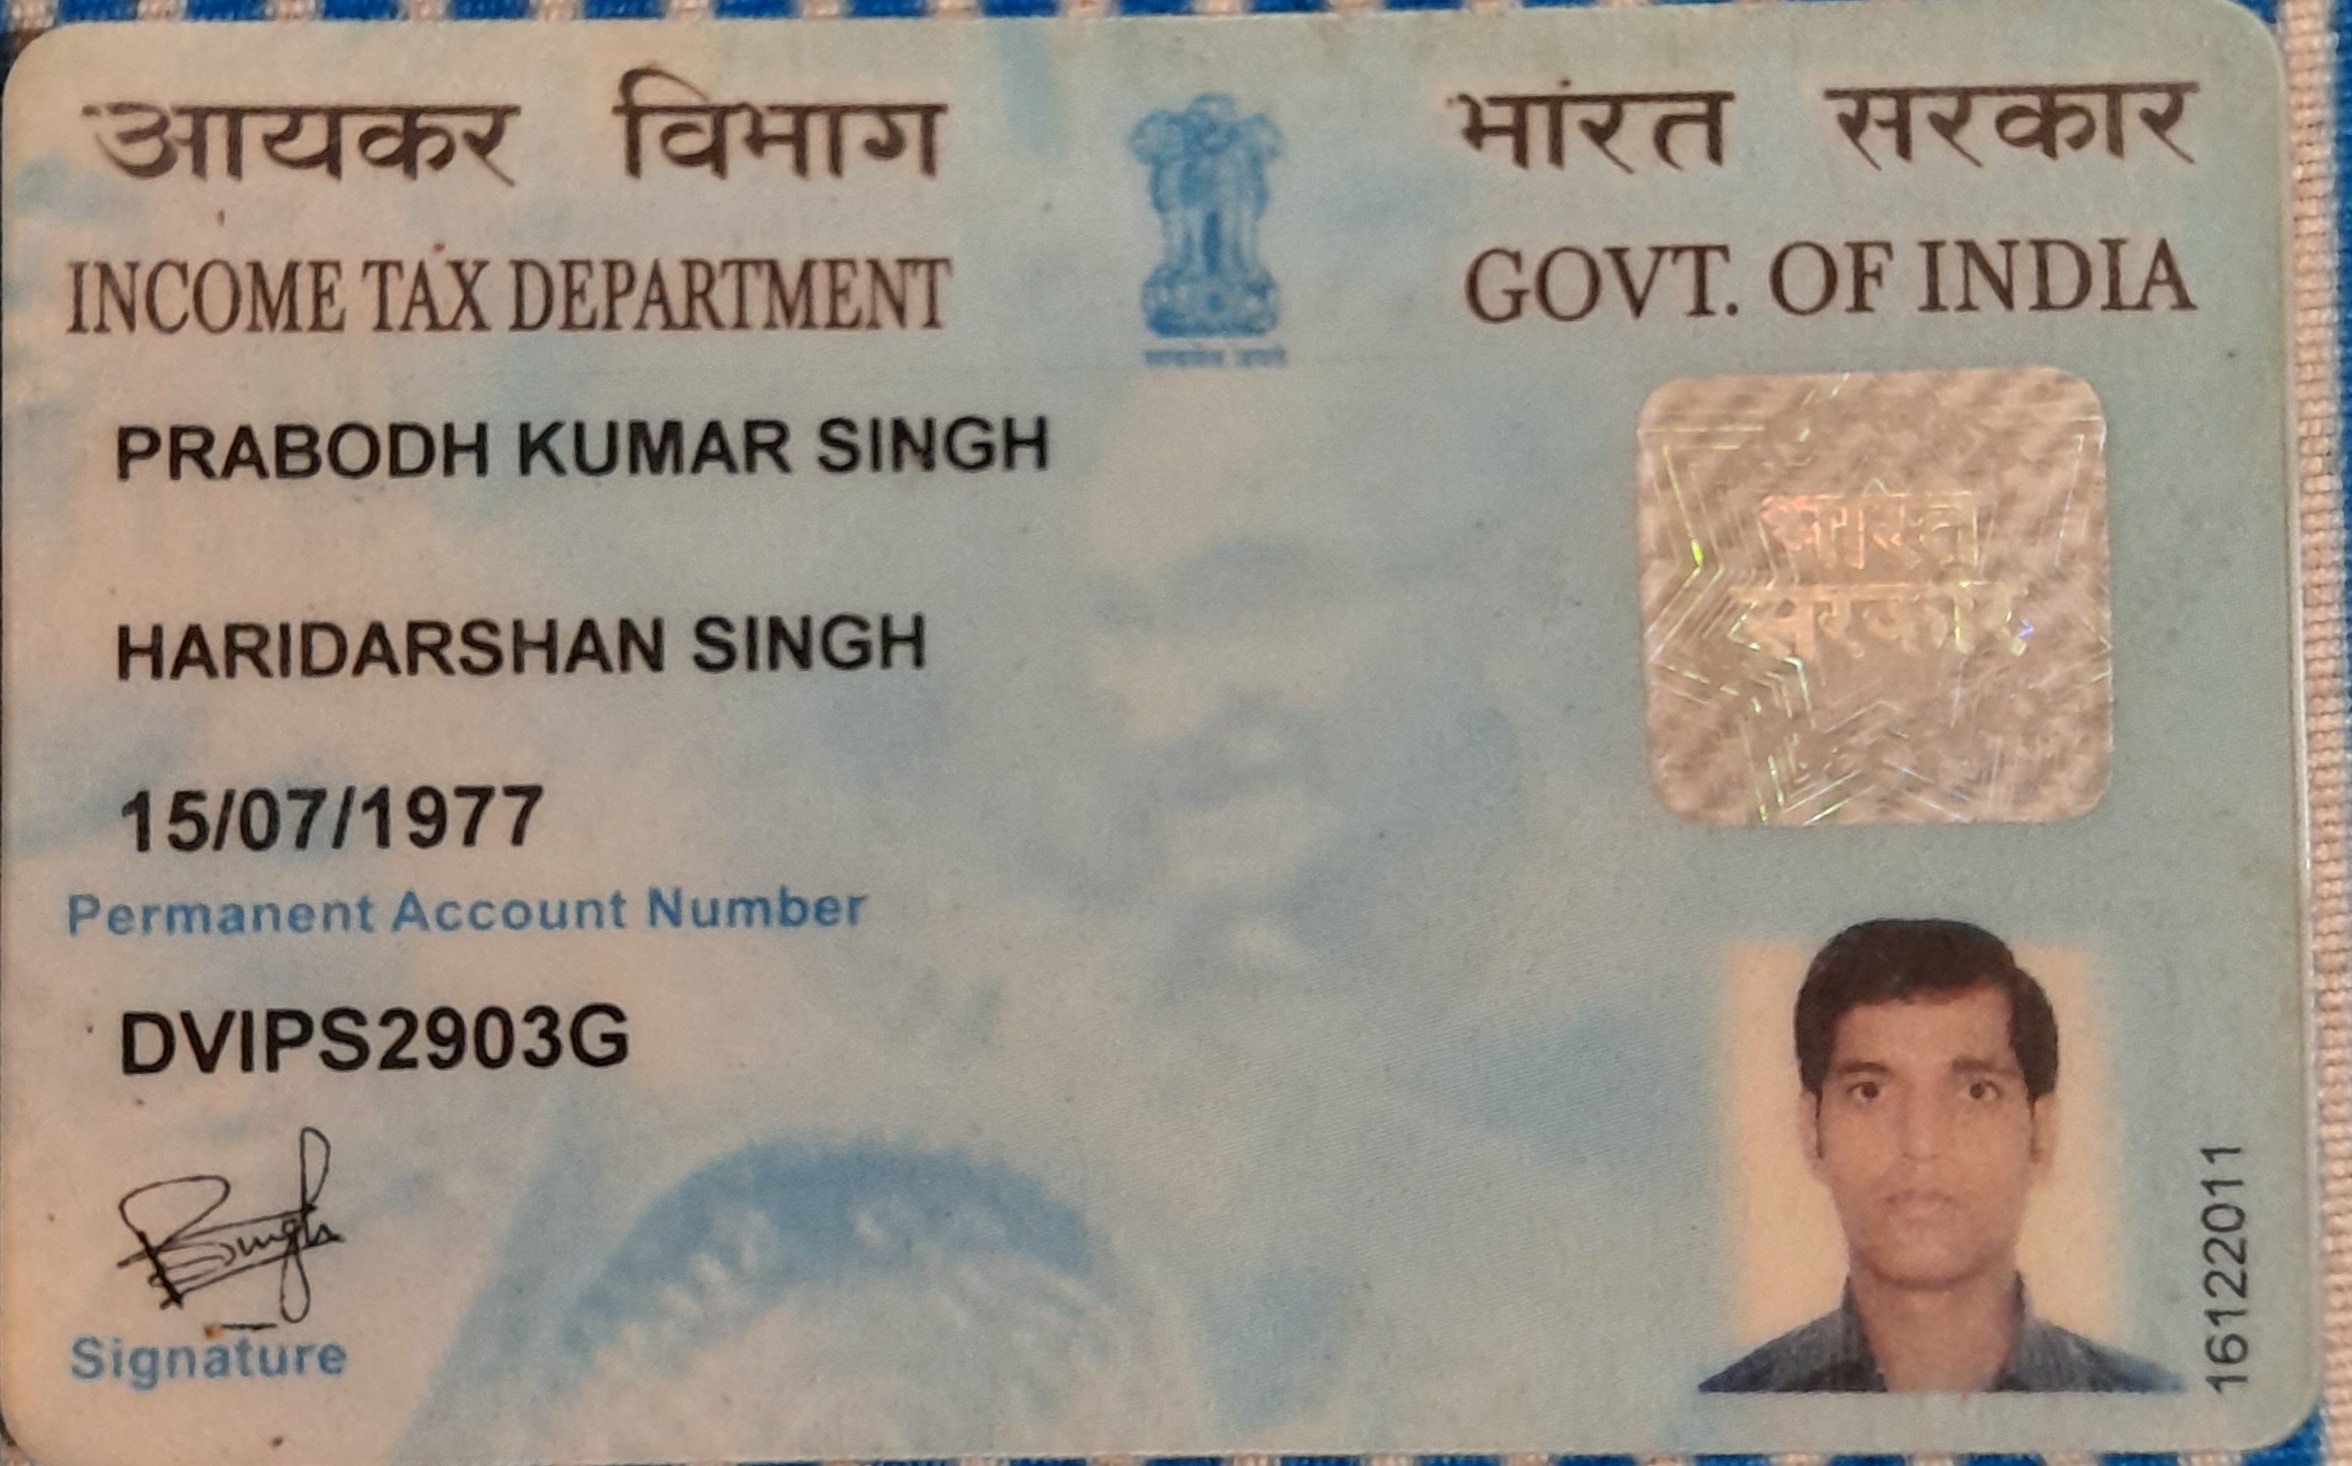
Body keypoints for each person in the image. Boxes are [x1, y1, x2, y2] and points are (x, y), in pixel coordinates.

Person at [1702, 919, 2179, 1394]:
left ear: (2040, 1134)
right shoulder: (1717, 1413)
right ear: (1812, 1132)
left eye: (1976, 1092)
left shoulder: (2161, 1411)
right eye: (1870, 1092)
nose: (1921, 1144)